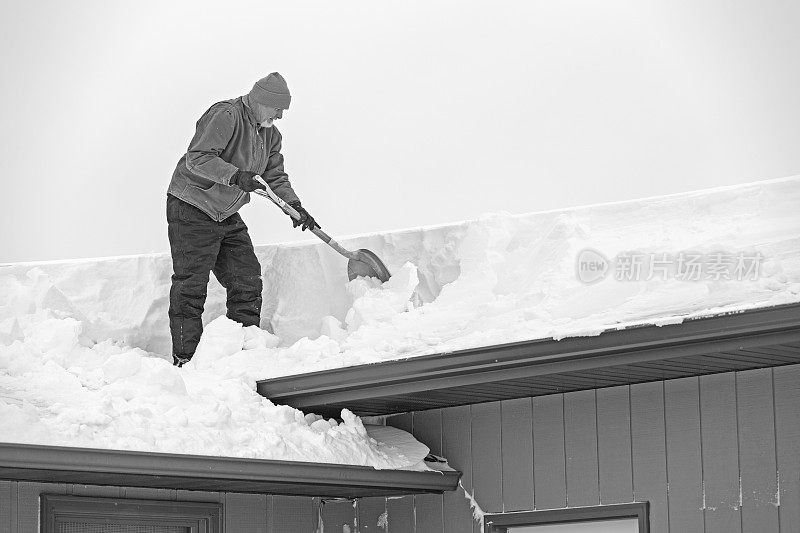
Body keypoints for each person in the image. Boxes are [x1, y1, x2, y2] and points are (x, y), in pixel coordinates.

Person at [166, 72, 319, 367]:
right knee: (191, 285)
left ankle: (244, 352)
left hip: (226, 212)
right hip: (192, 206)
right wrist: (236, 176)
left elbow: (275, 176)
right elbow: (196, 158)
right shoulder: (226, 115)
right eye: (278, 109)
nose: (280, 116)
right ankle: (186, 360)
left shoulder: (270, 135)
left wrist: (295, 206)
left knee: (246, 279)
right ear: (262, 102)